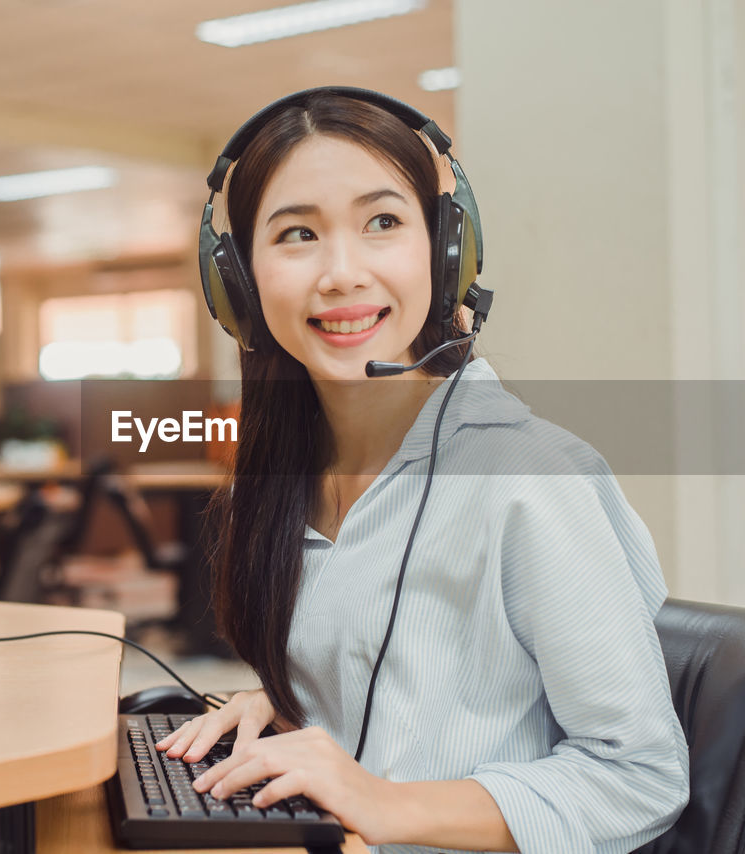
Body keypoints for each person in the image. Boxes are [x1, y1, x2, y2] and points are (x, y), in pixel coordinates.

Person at [157, 87, 689, 854]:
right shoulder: (285, 480)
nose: (341, 273)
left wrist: (381, 801)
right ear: (238, 283)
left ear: (446, 252)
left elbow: (639, 778)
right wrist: (287, 712)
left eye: (382, 223)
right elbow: (399, 709)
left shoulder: (528, 480)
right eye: (297, 233)